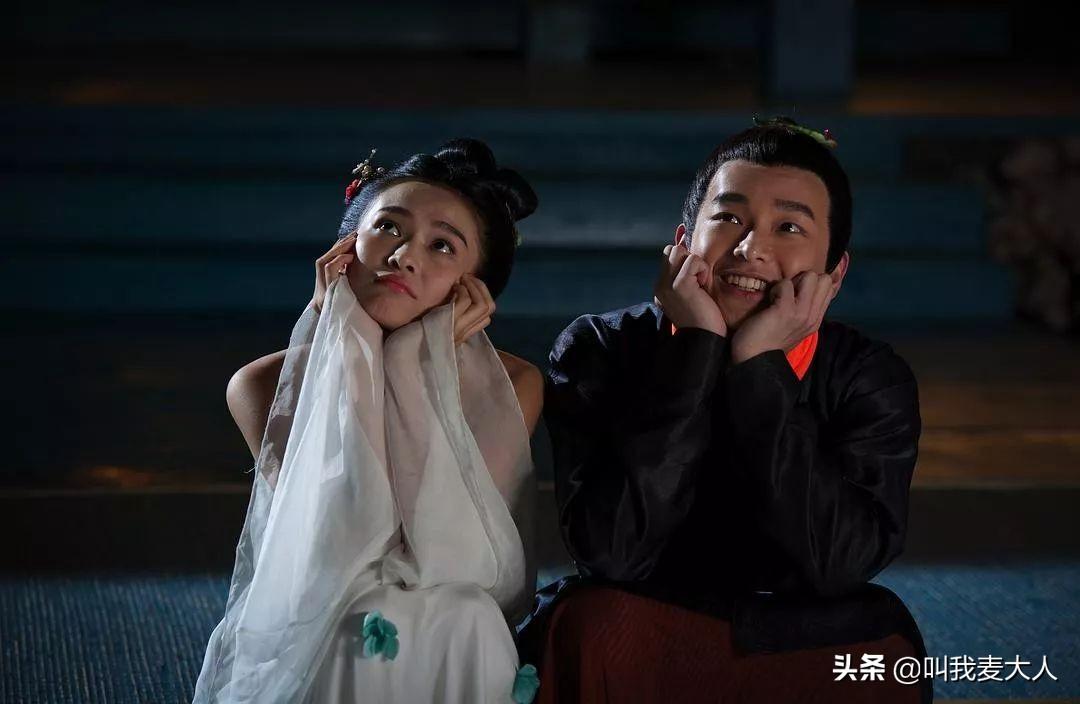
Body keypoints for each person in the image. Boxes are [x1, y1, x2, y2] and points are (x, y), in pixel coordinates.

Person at [518, 119, 931, 704]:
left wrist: (758, 369)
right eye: (730, 218)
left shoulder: (868, 377)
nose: (750, 249)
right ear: (683, 241)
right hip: (646, 617)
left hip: (791, 629)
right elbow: (613, 552)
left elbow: (837, 563)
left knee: (882, 655)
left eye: (789, 227)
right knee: (587, 626)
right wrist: (697, 351)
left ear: (835, 273)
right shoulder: (600, 348)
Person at [194, 139, 545, 703]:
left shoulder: (514, 385)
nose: (404, 256)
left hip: (450, 626)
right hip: (328, 618)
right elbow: (340, 547)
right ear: (344, 249)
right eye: (388, 228)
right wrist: (350, 351)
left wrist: (418, 364)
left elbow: (452, 558)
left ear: (473, 287)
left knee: (465, 611)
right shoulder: (262, 384)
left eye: (442, 246)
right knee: (362, 614)